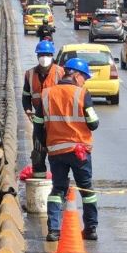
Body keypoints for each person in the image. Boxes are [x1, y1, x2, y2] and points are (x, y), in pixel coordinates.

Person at [35, 58, 100, 242]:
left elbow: (38, 126)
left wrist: (47, 145)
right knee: (86, 190)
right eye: (84, 78)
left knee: (58, 190)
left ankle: (54, 230)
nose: (85, 82)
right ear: (76, 75)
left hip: (56, 151)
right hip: (80, 151)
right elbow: (93, 124)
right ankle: (90, 229)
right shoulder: (82, 94)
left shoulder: (47, 94)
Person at [23, 41, 65, 180]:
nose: (44, 57)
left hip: (56, 122)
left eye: (47, 55)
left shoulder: (60, 73)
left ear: (52, 56)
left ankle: (58, 184)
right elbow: (26, 96)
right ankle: (40, 184)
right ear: (37, 56)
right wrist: (28, 110)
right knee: (38, 154)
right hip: (38, 121)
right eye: (41, 54)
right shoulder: (29, 74)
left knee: (58, 154)